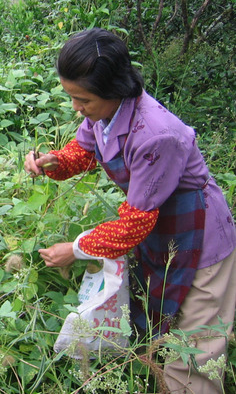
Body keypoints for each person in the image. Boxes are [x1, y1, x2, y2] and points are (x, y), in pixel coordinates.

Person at [24, 28, 236, 393]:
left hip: (200, 238)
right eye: (72, 96)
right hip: (163, 230)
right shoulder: (103, 113)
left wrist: (74, 251)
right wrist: (53, 163)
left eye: (83, 99)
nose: (77, 107)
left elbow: (133, 225)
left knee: (196, 354)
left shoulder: (154, 134)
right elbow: (85, 150)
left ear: (114, 88)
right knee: (162, 324)